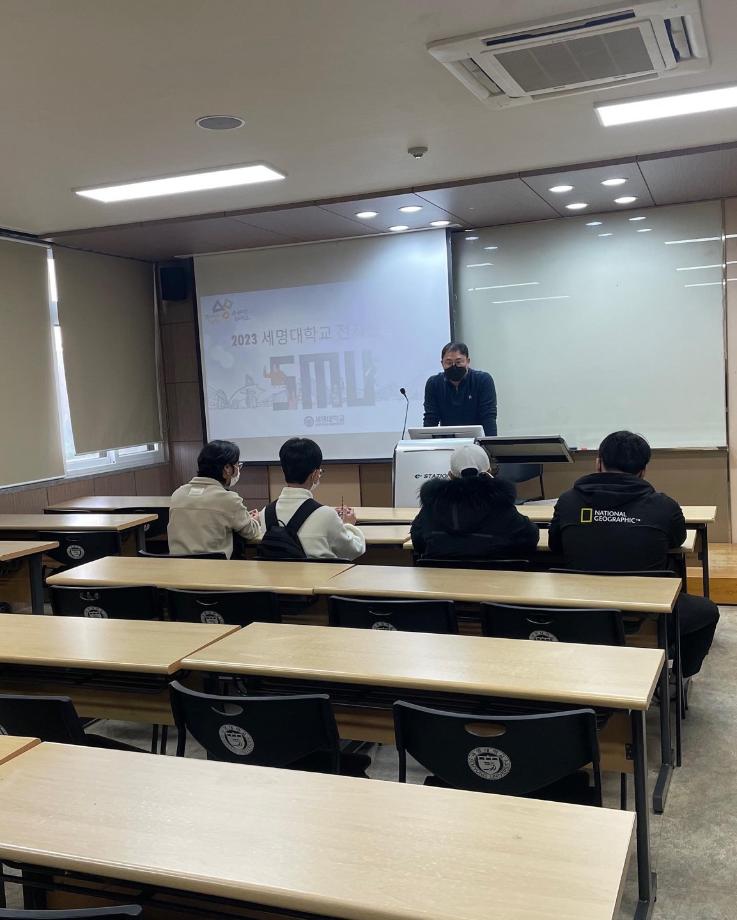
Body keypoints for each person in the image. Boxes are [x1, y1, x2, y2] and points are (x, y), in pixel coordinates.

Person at [548, 430, 719, 679]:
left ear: (598, 463)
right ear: (643, 470)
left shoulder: (568, 502)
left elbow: (555, 545)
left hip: (580, 613)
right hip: (648, 616)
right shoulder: (664, 506)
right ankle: (677, 676)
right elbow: (677, 540)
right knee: (707, 611)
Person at [411, 443, 539, 559]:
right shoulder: (499, 503)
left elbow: (418, 542)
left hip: (441, 577)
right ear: (489, 472)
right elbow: (530, 538)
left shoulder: (434, 505)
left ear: (450, 475)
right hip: (494, 576)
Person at [258, 437, 365, 560]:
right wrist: (348, 525)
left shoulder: (265, 513)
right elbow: (353, 550)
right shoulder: (327, 515)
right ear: (315, 474)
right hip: (320, 573)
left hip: (275, 573)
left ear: (283, 470)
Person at [168, 439, 261, 558]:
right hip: (215, 567)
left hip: (178, 567)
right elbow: (251, 532)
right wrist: (255, 520)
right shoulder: (228, 499)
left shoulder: (178, 494)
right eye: (237, 465)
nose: (238, 469)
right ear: (227, 468)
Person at [423, 342, 497, 436]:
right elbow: (430, 419)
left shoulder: (483, 380)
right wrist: (425, 442)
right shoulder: (434, 384)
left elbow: (488, 417)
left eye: (458, 362)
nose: (454, 366)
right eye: (449, 363)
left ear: (468, 361)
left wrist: (491, 443)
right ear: (442, 363)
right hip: (447, 441)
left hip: (477, 441)